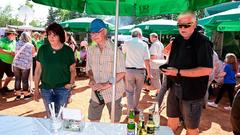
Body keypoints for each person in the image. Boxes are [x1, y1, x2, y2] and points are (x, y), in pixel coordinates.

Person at [162, 11, 213, 135]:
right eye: (180, 25)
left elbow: (207, 70)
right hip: (174, 88)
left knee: (191, 128)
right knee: (172, 121)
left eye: (187, 25)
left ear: (195, 24)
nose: (182, 28)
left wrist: (178, 72)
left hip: (192, 92)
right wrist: (167, 67)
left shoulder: (203, 42)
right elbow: (172, 61)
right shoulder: (177, 40)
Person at [86, 19, 125, 122]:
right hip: (96, 94)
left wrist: (104, 85)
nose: (94, 35)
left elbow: (121, 73)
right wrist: (92, 79)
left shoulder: (115, 51)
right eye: (92, 32)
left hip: (113, 93)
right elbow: (89, 69)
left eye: (97, 32)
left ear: (105, 32)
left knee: (114, 123)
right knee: (93, 121)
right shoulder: (90, 50)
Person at [34, 22, 76, 117]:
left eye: (54, 35)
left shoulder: (68, 50)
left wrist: (71, 84)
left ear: (60, 35)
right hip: (46, 88)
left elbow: (73, 70)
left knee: (60, 115)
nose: (51, 37)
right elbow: (38, 70)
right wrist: (36, 88)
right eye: (49, 34)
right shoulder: (42, 49)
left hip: (63, 89)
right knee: (50, 116)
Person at [122, 28, 151, 114]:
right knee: (138, 91)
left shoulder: (126, 42)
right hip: (140, 71)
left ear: (132, 35)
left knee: (129, 91)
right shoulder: (144, 44)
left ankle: (131, 110)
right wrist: (149, 74)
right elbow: (147, 60)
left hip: (129, 70)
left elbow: (123, 52)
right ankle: (134, 108)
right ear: (139, 35)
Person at [12, 32, 35, 100]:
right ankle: (26, 95)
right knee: (24, 80)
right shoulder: (30, 45)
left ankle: (18, 95)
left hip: (16, 64)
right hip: (25, 64)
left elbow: (15, 51)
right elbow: (33, 54)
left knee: (17, 79)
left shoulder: (17, 43)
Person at [0, 28, 18, 95]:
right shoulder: (2, 40)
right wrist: (10, 52)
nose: (15, 36)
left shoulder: (14, 41)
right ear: (9, 34)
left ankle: (4, 87)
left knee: (10, 75)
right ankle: (1, 89)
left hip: (10, 62)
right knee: (0, 76)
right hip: (1, 61)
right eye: (14, 34)